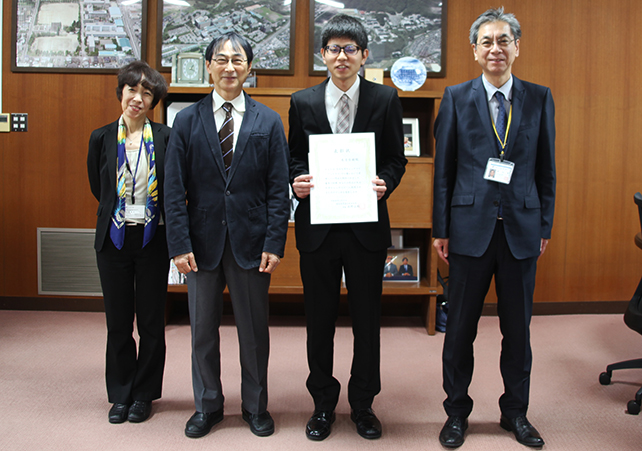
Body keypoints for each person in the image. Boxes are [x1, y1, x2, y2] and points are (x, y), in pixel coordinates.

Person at [432, 8, 555, 449]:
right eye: (487, 41)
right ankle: (456, 413)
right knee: (460, 328)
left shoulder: (540, 98)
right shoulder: (456, 97)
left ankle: (515, 413)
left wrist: (545, 223)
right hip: (468, 230)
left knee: (517, 332)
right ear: (475, 50)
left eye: (504, 41)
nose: (495, 49)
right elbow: (444, 169)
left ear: (516, 47)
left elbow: (546, 168)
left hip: (521, 229)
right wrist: (439, 228)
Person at [164, 32, 290, 439]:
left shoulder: (267, 120)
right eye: (221, 59)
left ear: (249, 68)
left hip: (252, 242)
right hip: (200, 244)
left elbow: (278, 187)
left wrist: (275, 241)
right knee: (201, 331)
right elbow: (173, 188)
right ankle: (208, 405)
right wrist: (179, 245)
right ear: (209, 66)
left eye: (238, 60)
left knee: (254, 332)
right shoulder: (186, 119)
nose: (230, 67)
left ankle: (256, 407)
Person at [289, 14, 407, 441]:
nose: (342, 56)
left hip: (365, 227)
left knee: (366, 320)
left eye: (350, 49)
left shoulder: (385, 99)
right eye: (334, 49)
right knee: (318, 320)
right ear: (323, 55)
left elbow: (397, 158)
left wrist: (386, 183)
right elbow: (294, 157)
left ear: (363, 55)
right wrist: (296, 179)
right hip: (318, 228)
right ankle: (322, 403)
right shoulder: (302, 101)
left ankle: (362, 404)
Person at [87, 61, 170, 424]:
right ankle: (121, 393)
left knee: (152, 320)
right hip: (114, 238)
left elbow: (175, 187)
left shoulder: (166, 138)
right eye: (132, 89)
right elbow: (98, 186)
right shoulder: (100, 137)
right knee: (118, 321)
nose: (137, 98)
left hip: (153, 237)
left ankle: (144, 394)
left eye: (146, 92)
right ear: (120, 92)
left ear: (154, 100)